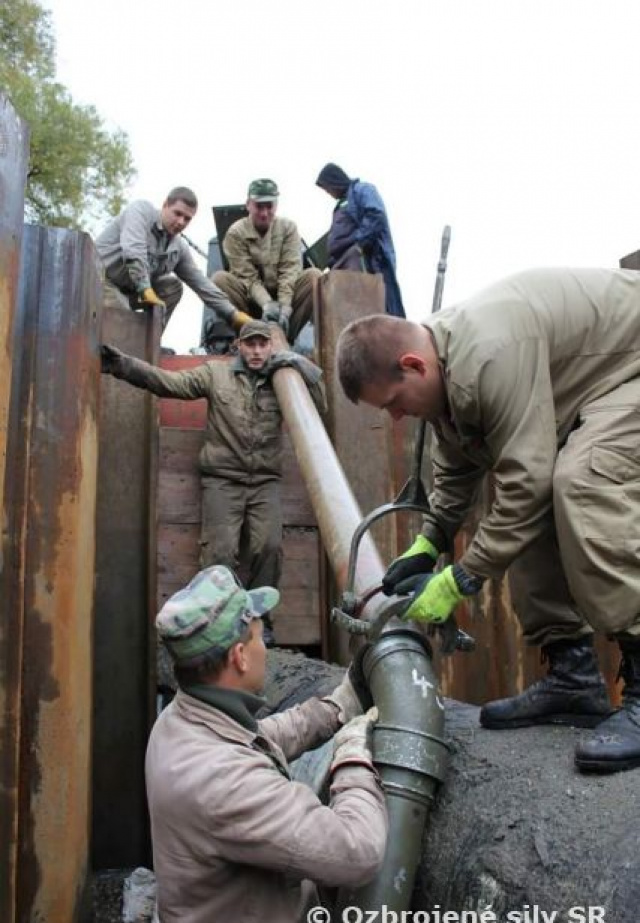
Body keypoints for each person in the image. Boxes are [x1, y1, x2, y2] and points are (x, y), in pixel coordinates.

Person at [335, 267, 640, 774]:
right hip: (597, 384)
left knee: (580, 481)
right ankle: (574, 676)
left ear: (413, 365)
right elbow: (458, 466)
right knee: (530, 493)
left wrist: (460, 579)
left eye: (392, 404)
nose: (394, 418)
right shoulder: (443, 368)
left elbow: (528, 484)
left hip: (631, 369)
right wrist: (429, 543)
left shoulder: (489, 355)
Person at [146, 563, 387, 923]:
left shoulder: (181, 719)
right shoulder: (221, 782)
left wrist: (331, 711)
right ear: (240, 657)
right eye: (260, 638)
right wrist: (353, 758)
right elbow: (357, 852)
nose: (265, 650)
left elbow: (253, 741)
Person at [101, 320, 326, 645]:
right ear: (239, 346)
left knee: (270, 546)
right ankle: (218, 618)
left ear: (271, 347)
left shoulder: (283, 379)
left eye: (264, 344)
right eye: (251, 344)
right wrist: (123, 365)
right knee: (220, 553)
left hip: (264, 483)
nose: (258, 351)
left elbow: (319, 409)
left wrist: (300, 364)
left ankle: (260, 620)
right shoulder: (214, 374)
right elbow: (169, 383)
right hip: (223, 481)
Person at [95, 186, 250, 332]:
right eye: (177, 213)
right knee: (123, 318)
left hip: (129, 291)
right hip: (98, 280)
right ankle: (128, 346)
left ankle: (151, 343)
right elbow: (133, 251)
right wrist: (144, 287)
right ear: (165, 205)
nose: (181, 222)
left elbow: (201, 284)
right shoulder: (140, 211)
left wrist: (233, 313)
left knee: (172, 286)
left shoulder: (178, 248)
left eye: (187, 219)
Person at [212, 178, 321, 344]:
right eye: (259, 206)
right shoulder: (235, 233)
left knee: (314, 276)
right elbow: (247, 277)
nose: (264, 213)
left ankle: (286, 337)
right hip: (251, 304)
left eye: (269, 206)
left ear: (276, 205)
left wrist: (285, 308)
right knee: (219, 280)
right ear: (248, 204)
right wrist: (267, 304)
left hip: (285, 303)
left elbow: (290, 270)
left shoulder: (288, 228)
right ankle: (248, 335)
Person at [315, 162, 405, 318]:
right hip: (343, 266)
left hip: (365, 263)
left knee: (377, 310)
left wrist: (358, 244)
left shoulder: (362, 190)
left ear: (335, 181)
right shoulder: (341, 203)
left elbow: (376, 214)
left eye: (327, 188)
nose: (328, 192)